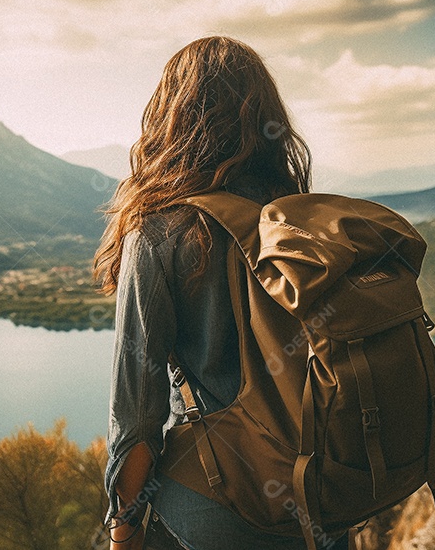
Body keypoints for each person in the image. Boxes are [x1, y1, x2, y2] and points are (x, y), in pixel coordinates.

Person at [94, 36, 341, 550]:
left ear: (171, 119)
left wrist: (122, 534)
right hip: (327, 493)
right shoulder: (305, 221)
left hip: (221, 504)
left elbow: (137, 419)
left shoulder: (161, 231)